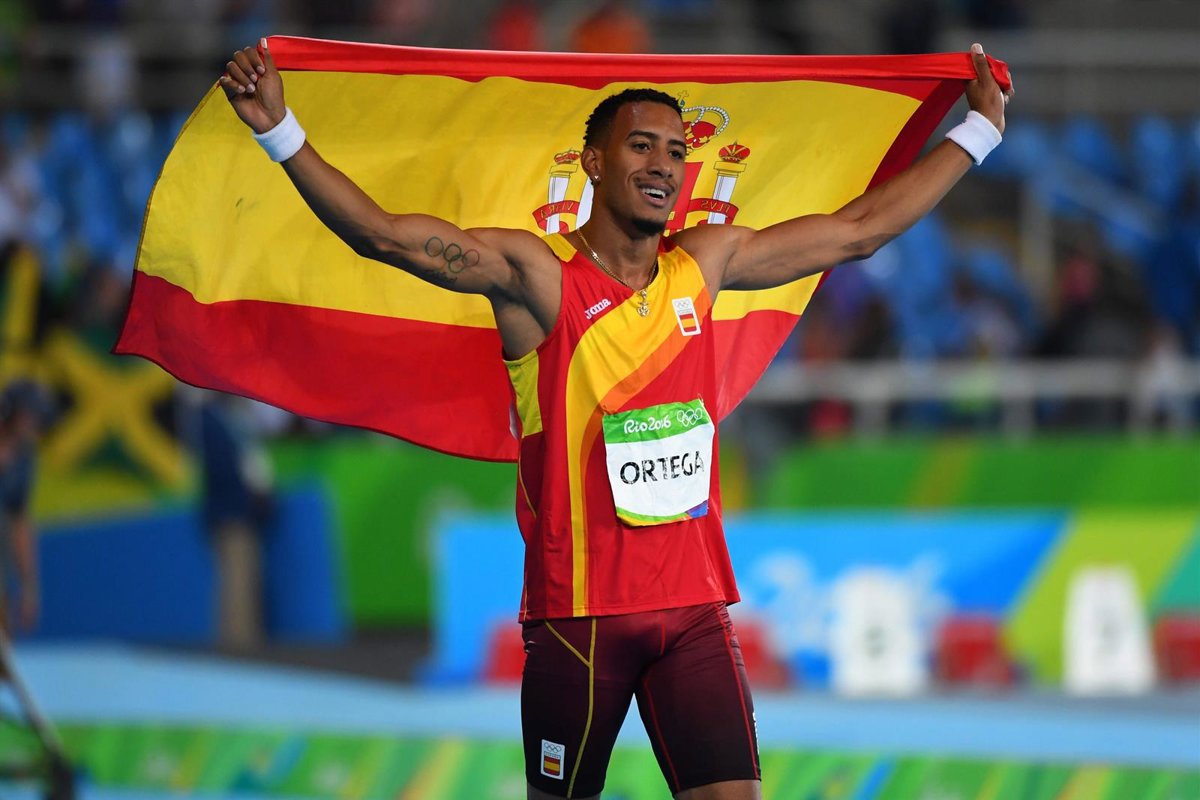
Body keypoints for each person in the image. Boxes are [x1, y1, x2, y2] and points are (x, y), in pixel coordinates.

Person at [219, 39, 1011, 800]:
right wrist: (280, 131)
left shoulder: (706, 264)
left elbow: (861, 231)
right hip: (580, 622)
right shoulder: (536, 278)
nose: (662, 164)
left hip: (695, 615)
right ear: (593, 163)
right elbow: (384, 237)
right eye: (641, 146)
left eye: (675, 151)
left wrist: (977, 132)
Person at [0, 380, 49, 635]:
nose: (33, 424)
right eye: (27, 417)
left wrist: (29, 588)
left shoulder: (24, 456)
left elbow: (20, 522)